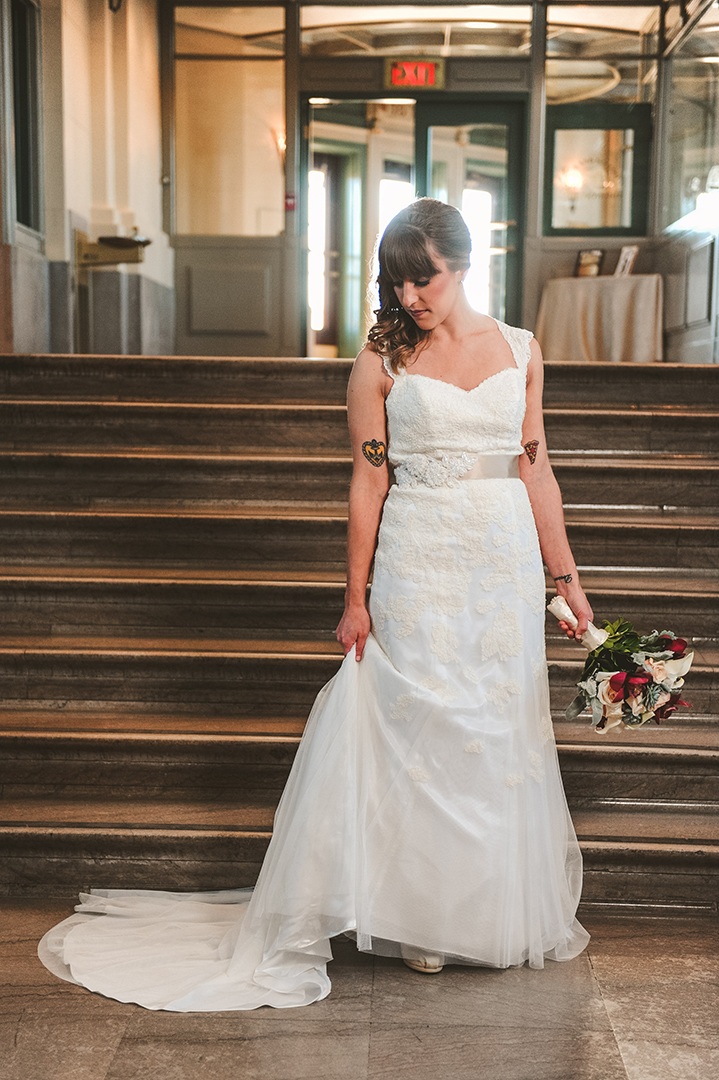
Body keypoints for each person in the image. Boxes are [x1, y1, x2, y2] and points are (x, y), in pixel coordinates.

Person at [38, 198, 590, 1011]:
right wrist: (355, 597)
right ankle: (422, 920)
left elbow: (535, 467)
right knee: (424, 728)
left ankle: (487, 913)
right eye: (397, 282)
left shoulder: (520, 349)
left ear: (463, 266)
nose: (409, 297)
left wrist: (565, 580)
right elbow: (369, 479)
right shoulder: (380, 361)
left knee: (494, 726)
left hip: (501, 560)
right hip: (419, 555)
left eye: (424, 279)